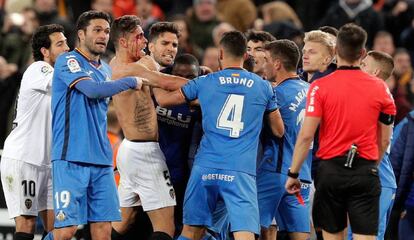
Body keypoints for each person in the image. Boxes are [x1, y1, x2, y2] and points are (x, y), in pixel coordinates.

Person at [158, 30, 285, 240]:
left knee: (191, 231)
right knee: (244, 233)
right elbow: (279, 131)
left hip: (205, 167)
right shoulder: (263, 87)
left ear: (220, 53)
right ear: (246, 55)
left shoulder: (206, 82)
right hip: (240, 170)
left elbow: (165, 101)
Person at [285, 23, 396, 240]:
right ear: (362, 52)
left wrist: (294, 173)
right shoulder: (380, 87)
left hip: (331, 171)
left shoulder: (320, 87)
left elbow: (306, 135)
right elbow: (384, 139)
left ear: (336, 52)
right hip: (365, 169)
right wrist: (371, 166)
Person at [44, 11, 145, 240]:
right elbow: (92, 91)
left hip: (101, 161)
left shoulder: (106, 69)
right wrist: (130, 81)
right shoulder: (68, 61)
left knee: (102, 230)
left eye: (107, 31)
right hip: (71, 157)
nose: (103, 35)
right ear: (81, 34)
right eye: (97, 30)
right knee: (66, 230)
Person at [108, 15, 189, 240]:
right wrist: (211, 85)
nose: (144, 41)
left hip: (130, 150)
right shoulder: (125, 69)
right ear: (123, 42)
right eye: (139, 36)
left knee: (123, 222)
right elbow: (165, 84)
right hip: (145, 153)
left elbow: (162, 83)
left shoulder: (134, 62)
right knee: (166, 227)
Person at [0, 24, 69, 240]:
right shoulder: (39, 69)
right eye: (60, 44)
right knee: (27, 225)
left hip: (48, 163)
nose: (67, 48)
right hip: (24, 160)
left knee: (59, 229)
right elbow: (66, 83)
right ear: (45, 52)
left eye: (66, 42)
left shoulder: (55, 72)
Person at [257, 39, 311, 240]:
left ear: (277, 64)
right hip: (302, 174)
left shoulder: (275, 94)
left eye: (266, 60)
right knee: (298, 234)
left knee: (251, 229)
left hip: (275, 171)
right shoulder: (311, 91)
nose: (264, 66)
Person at [345, 50, 396, 240]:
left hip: (376, 179)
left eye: (364, 64)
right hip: (374, 178)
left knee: (363, 235)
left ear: (375, 73)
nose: (359, 67)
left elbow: (378, 141)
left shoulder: (378, 99)